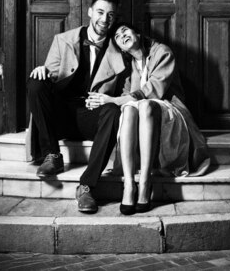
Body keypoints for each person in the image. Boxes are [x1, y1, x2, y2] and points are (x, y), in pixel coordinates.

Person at [86, 22, 210, 215]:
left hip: (170, 109)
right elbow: (127, 95)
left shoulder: (162, 52)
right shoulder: (129, 67)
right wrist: (99, 99)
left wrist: (113, 99)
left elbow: (152, 91)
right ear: (119, 47)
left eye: (125, 30)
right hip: (142, 114)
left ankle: (145, 181)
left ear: (137, 33)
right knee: (128, 109)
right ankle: (129, 184)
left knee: (144, 104)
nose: (122, 36)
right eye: (118, 36)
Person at [27, 0, 126, 214]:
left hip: (92, 118)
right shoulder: (63, 40)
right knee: (36, 82)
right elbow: (50, 75)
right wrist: (43, 70)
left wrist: (106, 100)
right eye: (100, 12)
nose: (104, 19)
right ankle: (52, 155)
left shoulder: (120, 49)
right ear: (90, 12)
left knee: (112, 110)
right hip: (62, 114)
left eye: (110, 15)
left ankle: (86, 186)